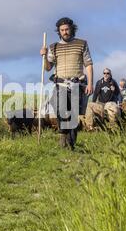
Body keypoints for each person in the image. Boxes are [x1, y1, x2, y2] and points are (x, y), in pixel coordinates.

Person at [40, 17, 94, 149]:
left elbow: (88, 64)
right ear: (59, 31)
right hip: (60, 84)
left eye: (67, 29)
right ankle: (63, 133)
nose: (65, 32)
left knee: (73, 116)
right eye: (62, 30)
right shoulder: (54, 47)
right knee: (60, 108)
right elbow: (48, 68)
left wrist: (90, 83)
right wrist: (44, 56)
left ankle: (71, 144)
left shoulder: (82, 44)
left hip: (77, 84)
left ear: (72, 29)